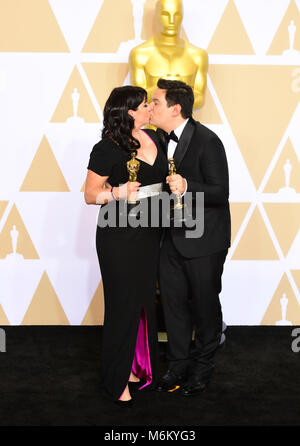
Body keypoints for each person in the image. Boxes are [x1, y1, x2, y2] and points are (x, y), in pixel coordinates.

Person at [84, 86, 168, 406]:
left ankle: (136, 368)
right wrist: (117, 194)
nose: (150, 108)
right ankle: (117, 378)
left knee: (143, 303)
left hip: (149, 236)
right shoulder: (107, 148)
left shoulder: (156, 138)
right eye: (145, 105)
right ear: (131, 112)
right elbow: (91, 194)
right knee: (121, 306)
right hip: (118, 237)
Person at [149, 78, 231, 396]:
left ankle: (203, 370)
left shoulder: (208, 142)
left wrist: (187, 186)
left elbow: (220, 192)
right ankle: (177, 367)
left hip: (205, 241)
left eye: (156, 101)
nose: (151, 106)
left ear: (176, 108)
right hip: (170, 238)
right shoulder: (157, 139)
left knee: (205, 307)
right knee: (172, 306)